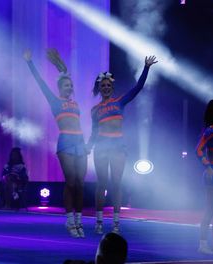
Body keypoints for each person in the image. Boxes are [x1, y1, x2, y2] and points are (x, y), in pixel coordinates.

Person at [86, 56, 157, 234]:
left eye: (109, 85)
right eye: (103, 86)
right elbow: (94, 132)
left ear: (112, 87)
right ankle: (99, 222)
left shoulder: (120, 101)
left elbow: (138, 88)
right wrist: (88, 146)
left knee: (116, 184)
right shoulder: (95, 110)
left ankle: (116, 223)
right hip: (101, 148)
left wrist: (146, 67)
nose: (106, 88)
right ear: (99, 88)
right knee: (101, 185)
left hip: (118, 147)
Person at [23, 49, 87, 238]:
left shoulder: (75, 104)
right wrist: (30, 63)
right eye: (66, 86)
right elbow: (41, 83)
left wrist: (62, 69)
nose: (69, 88)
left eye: (71, 86)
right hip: (66, 142)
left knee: (80, 184)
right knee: (71, 181)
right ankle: (69, 221)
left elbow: (65, 73)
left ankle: (79, 220)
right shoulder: (54, 100)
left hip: (80, 143)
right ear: (60, 88)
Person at [196, 99, 213, 254]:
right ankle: (203, 244)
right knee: (210, 209)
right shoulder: (211, 131)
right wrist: (208, 166)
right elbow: (198, 150)